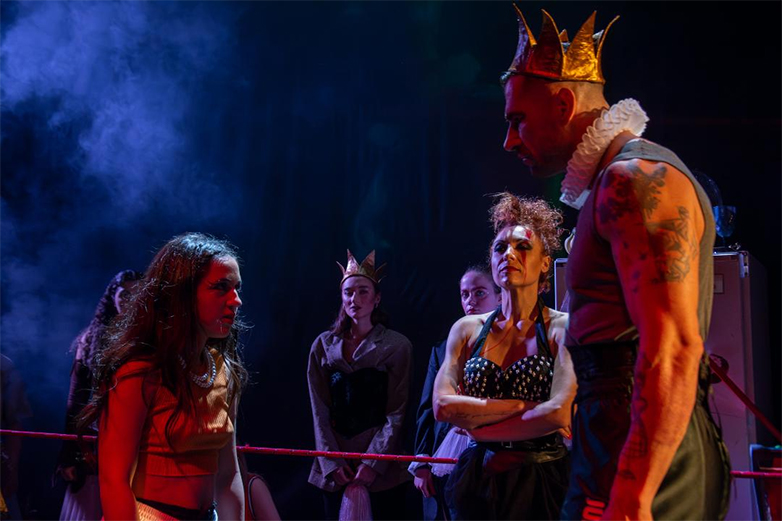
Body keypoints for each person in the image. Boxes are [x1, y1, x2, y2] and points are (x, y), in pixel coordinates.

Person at [500, 8, 730, 520]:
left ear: (563, 104)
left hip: (640, 448)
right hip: (613, 436)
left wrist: (633, 494)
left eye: (517, 120)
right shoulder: (613, 182)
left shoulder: (633, 180)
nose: (509, 141)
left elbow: (673, 347)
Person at [77, 232, 247, 520]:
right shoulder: (139, 371)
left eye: (236, 288)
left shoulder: (223, 370)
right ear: (182, 293)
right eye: (220, 287)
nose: (236, 300)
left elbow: (228, 474)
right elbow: (114, 480)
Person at [433, 193, 576, 520]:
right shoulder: (467, 329)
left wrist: (481, 430)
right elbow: (443, 406)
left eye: (522, 246)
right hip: (479, 480)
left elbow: (559, 413)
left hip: (543, 480)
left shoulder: (562, 327)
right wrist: (524, 407)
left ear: (545, 263)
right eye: (500, 247)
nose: (508, 254)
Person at [307, 249, 412, 520]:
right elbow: (319, 409)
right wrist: (331, 461)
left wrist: (374, 462)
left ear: (377, 298)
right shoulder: (323, 345)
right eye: (349, 293)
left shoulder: (396, 345)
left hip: (383, 468)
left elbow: (397, 409)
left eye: (363, 291)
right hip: (335, 465)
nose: (355, 299)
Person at [409, 264, 501, 520]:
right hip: (447, 451)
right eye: (465, 294)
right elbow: (427, 408)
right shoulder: (443, 349)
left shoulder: (514, 345)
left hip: (493, 452)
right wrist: (422, 460)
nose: (471, 300)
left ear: (499, 297)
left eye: (480, 292)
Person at [57, 269, 142, 521]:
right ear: (113, 296)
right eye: (124, 294)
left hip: (140, 442)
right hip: (97, 441)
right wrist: (69, 454)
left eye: (136, 294)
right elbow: (76, 401)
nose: (129, 300)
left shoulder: (152, 338)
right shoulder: (91, 339)